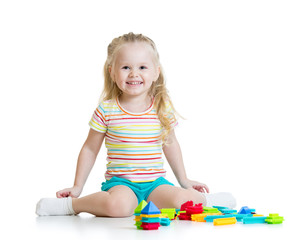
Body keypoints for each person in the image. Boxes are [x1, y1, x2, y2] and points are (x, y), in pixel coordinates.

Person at [36, 32, 236, 217]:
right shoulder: (107, 110)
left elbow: (171, 143)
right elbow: (89, 149)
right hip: (121, 184)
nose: (134, 74)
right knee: (118, 207)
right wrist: (77, 186)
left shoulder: (161, 107)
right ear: (112, 72)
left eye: (142, 67)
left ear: (156, 72)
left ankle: (208, 200)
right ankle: (71, 206)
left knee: (181, 201)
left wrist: (184, 180)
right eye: (125, 67)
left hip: (155, 184)